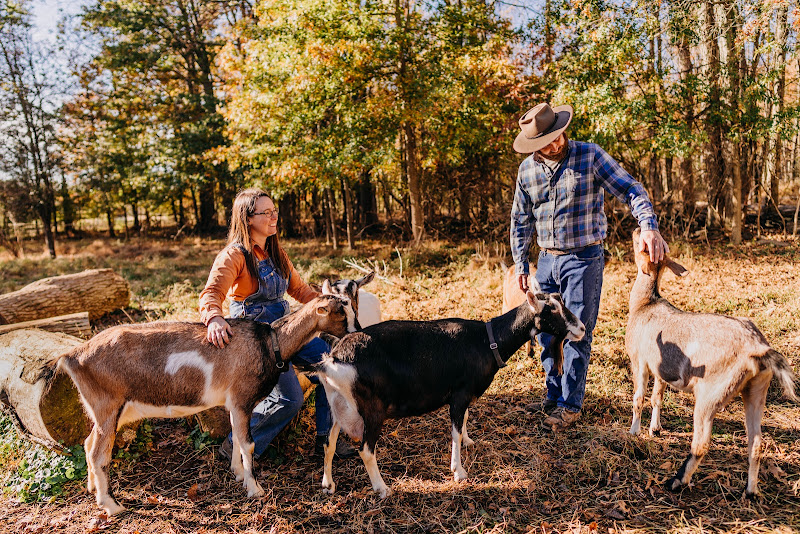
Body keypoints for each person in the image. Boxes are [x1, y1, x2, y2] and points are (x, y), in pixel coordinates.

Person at [510, 103, 668, 432]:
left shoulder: (590, 156)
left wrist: (648, 226)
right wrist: (521, 264)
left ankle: (569, 405)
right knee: (546, 333)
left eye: (558, 136)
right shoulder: (526, 171)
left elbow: (630, 188)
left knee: (576, 332)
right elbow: (520, 221)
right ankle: (553, 396)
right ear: (534, 146)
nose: (556, 144)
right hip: (546, 261)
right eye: (546, 142)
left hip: (583, 259)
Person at [199, 188, 356, 460]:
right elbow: (211, 293)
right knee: (289, 399)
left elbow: (301, 291)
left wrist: (328, 301)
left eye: (275, 211)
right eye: (267, 212)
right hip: (258, 342)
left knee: (333, 369)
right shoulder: (234, 255)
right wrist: (214, 317)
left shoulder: (276, 253)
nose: (274, 217)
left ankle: (325, 441)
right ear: (248, 218)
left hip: (289, 330)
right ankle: (236, 446)